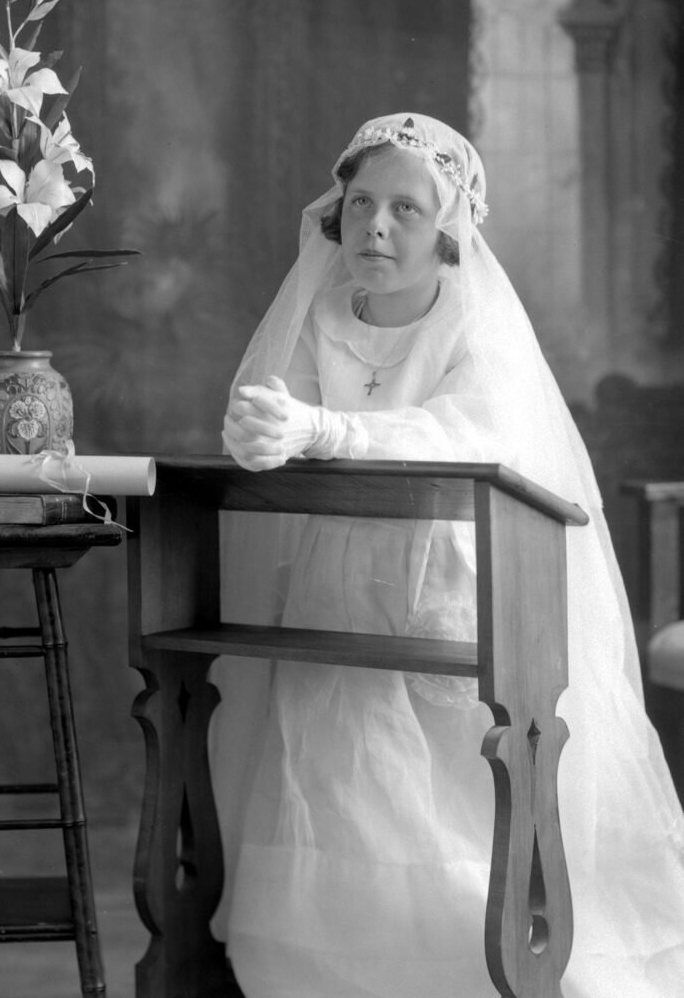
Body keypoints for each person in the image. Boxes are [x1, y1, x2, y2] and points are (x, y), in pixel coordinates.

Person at [211, 113, 684, 998]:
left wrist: (326, 426)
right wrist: (264, 426)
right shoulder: (319, 312)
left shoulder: (474, 320)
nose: (376, 227)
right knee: (337, 752)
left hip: (455, 576)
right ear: (334, 215)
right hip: (336, 575)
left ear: (450, 231)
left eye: (404, 210)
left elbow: (473, 431)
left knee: (445, 774)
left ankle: (464, 965)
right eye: (359, 205)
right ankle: (339, 969)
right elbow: (287, 412)